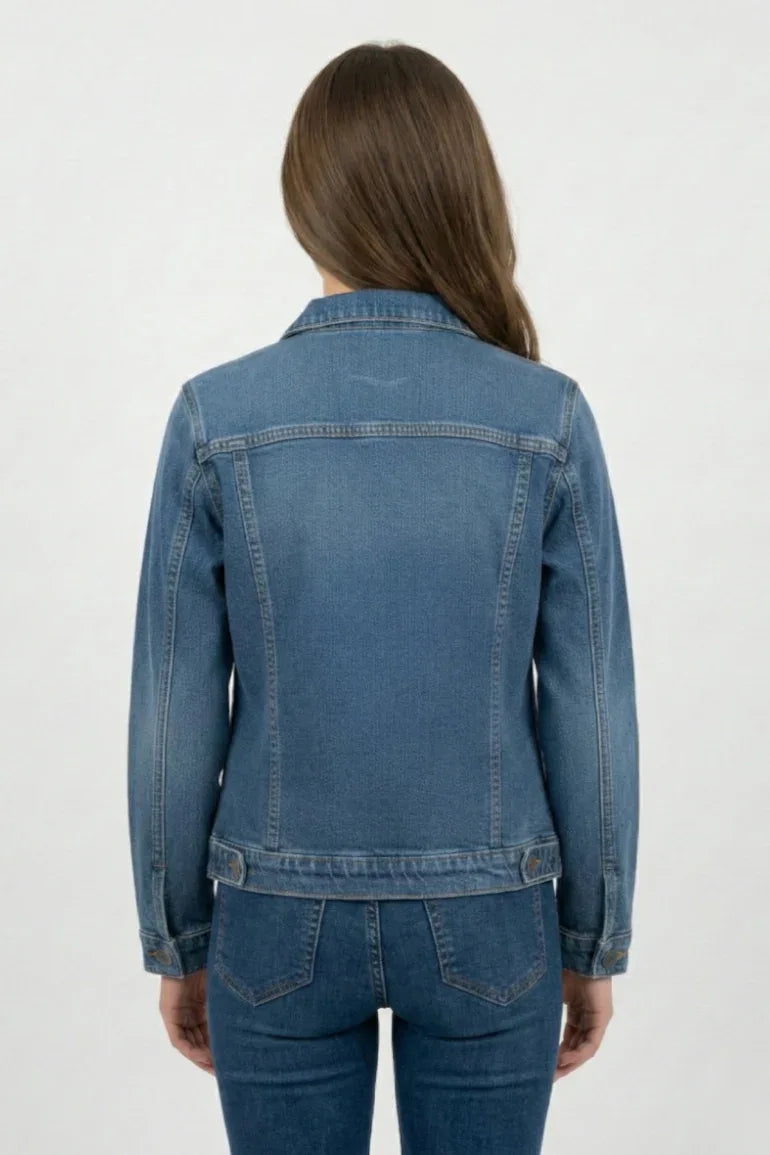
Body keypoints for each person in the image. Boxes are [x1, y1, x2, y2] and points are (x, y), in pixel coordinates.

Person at [127, 41, 639, 1155]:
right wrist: (590, 939)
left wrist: (179, 937)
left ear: (305, 202)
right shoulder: (545, 419)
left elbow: (172, 711)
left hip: (274, 916)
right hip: (492, 914)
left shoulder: (217, 420)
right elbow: (589, 706)